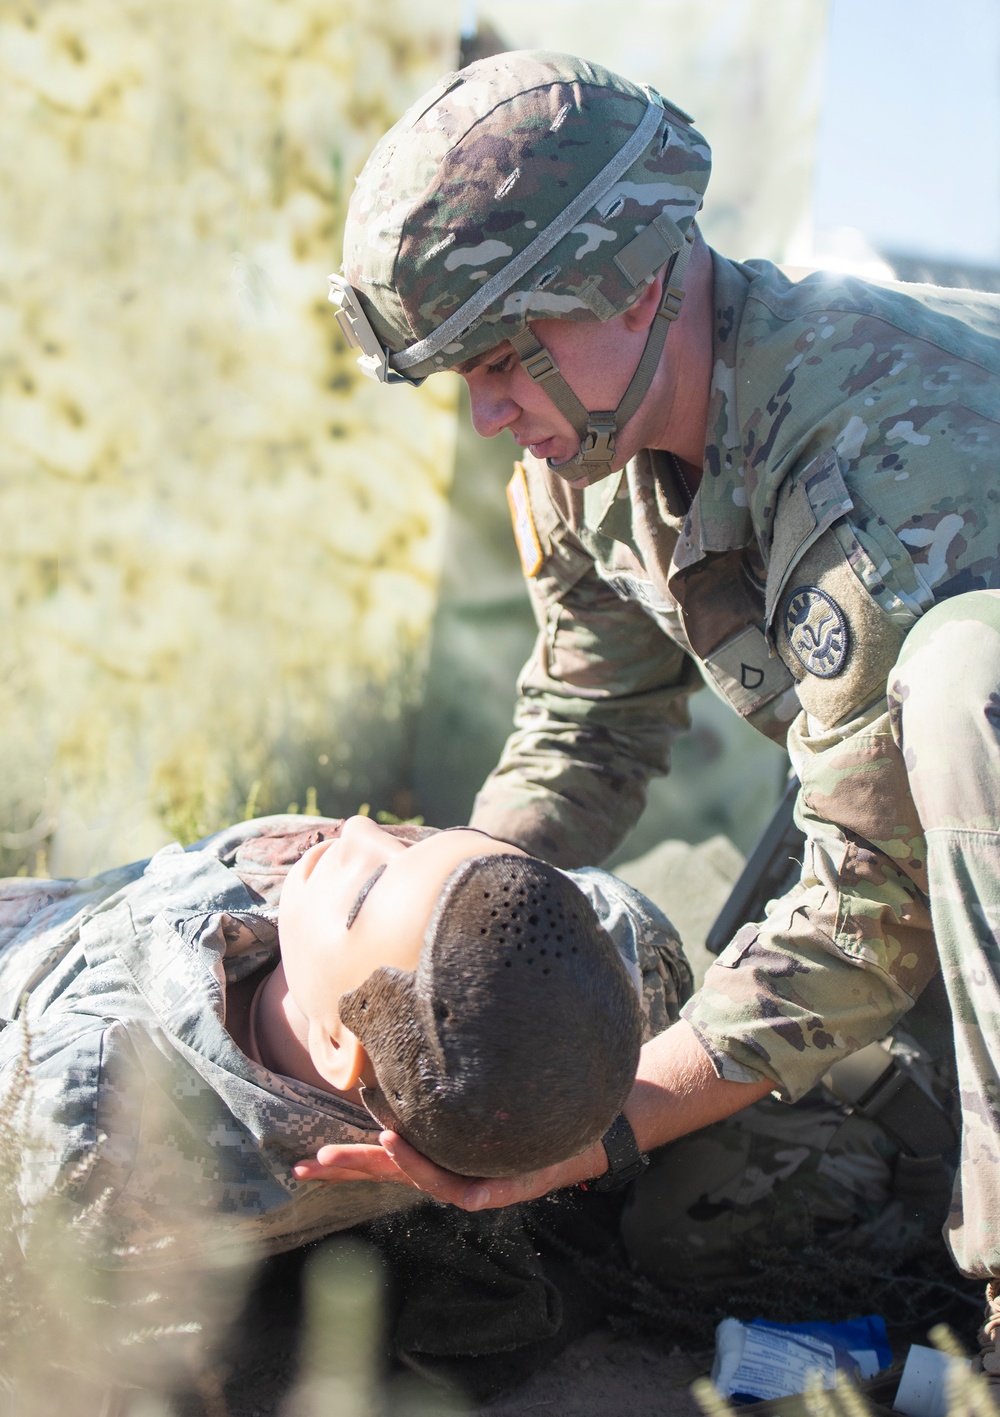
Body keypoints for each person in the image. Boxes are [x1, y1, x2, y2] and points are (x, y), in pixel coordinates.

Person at [323, 48, 1000, 1371]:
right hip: (943, 891)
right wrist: (434, 913)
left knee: (970, 680)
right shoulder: (590, 454)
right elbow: (587, 723)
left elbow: (867, 913)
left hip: (953, 823)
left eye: (507, 351)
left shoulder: (876, 432)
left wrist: (594, 1130)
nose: (484, 413)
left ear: (637, 284)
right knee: (708, 1204)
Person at [0, 812, 689, 1263]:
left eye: (366, 894)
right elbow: (620, 925)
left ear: (337, 1046)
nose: (359, 829)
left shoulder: (97, 1101)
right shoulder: (612, 978)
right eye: (421, 837)